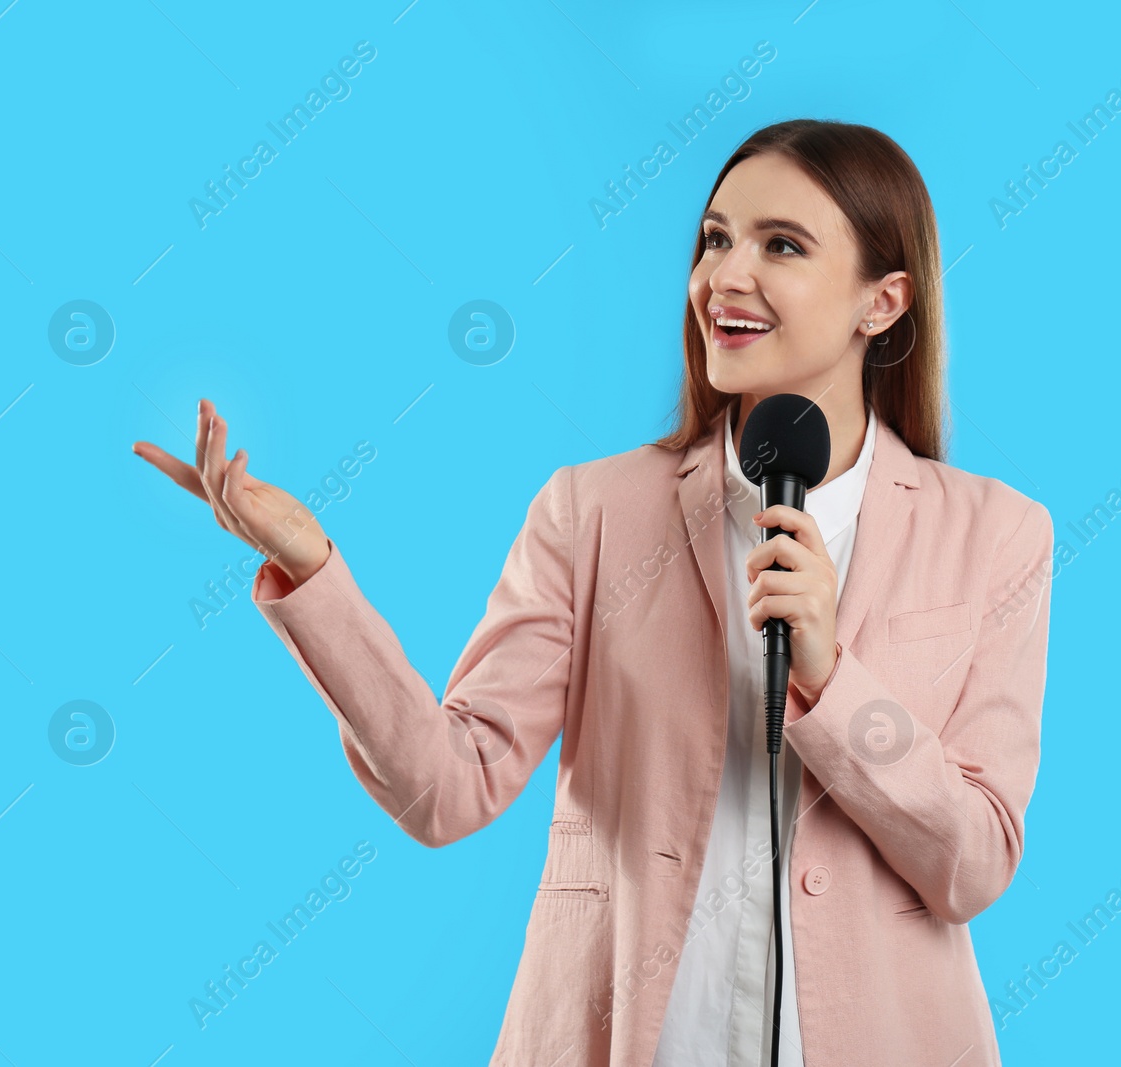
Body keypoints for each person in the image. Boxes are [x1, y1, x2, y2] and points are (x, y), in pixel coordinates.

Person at [133, 118, 1054, 1067]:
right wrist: (314, 569)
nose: (725, 278)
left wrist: (831, 676)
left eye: (781, 244)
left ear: (884, 301)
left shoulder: (996, 535)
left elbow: (974, 860)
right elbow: (448, 786)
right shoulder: (594, 512)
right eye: (715, 239)